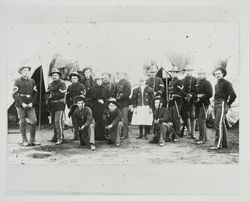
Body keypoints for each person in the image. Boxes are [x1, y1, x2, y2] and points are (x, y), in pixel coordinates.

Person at [12, 66, 40, 146]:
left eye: (27, 70)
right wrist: (22, 103)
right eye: (24, 70)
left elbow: (35, 93)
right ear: (21, 72)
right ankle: (24, 140)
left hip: (30, 104)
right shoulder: (17, 81)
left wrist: (32, 102)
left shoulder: (32, 81)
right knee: (23, 121)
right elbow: (14, 94)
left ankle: (32, 140)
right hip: (20, 105)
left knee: (33, 120)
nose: (26, 72)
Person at [210, 66, 236, 150]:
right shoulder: (216, 84)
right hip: (216, 103)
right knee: (222, 123)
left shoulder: (227, 83)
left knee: (218, 124)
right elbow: (216, 95)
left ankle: (217, 144)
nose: (217, 75)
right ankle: (224, 143)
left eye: (219, 73)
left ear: (223, 74)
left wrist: (228, 104)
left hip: (222, 103)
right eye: (216, 74)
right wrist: (213, 102)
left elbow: (233, 95)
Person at [86, 72, 110, 140]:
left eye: (100, 80)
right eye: (97, 80)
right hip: (95, 107)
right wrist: (96, 101)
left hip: (103, 108)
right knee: (95, 121)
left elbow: (109, 99)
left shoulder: (105, 89)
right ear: (95, 81)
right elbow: (88, 99)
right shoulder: (92, 89)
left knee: (103, 121)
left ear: (102, 81)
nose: (99, 81)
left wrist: (104, 102)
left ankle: (103, 136)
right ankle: (95, 136)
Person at [47, 69, 67, 145]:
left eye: (56, 75)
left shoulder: (62, 84)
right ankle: (55, 137)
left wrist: (52, 95)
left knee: (57, 121)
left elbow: (62, 94)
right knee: (53, 122)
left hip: (59, 105)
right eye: (53, 75)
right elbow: (48, 94)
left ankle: (60, 138)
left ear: (59, 76)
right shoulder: (50, 84)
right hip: (52, 105)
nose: (54, 77)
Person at [194, 69, 213, 145]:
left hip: (204, 103)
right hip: (198, 104)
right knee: (200, 121)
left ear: (204, 74)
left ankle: (201, 139)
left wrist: (201, 99)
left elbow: (210, 94)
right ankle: (204, 138)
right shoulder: (198, 83)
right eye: (198, 74)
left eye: (201, 74)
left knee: (201, 121)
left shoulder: (207, 83)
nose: (200, 75)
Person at [66, 71, 86, 140]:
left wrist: (81, 105)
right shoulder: (69, 87)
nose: (74, 79)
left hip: (79, 106)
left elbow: (83, 96)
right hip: (72, 106)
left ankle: (82, 135)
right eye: (72, 78)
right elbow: (67, 97)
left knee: (80, 120)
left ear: (78, 79)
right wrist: (69, 105)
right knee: (74, 121)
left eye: (75, 78)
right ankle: (76, 135)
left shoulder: (81, 86)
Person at [181, 65, 198, 139]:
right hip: (185, 101)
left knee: (193, 116)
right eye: (187, 70)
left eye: (190, 70)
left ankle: (192, 133)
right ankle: (188, 130)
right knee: (186, 116)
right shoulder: (182, 80)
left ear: (192, 71)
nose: (189, 72)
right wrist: (186, 95)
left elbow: (197, 90)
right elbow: (181, 91)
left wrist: (191, 95)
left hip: (193, 101)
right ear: (185, 71)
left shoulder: (195, 80)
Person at [168, 66, 185, 142]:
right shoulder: (170, 81)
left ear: (177, 73)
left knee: (176, 118)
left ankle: (177, 135)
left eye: (174, 72)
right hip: (171, 102)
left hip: (177, 102)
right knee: (172, 118)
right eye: (171, 72)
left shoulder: (179, 81)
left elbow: (181, 92)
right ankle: (173, 133)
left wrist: (174, 96)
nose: (173, 73)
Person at [115, 71, 131, 140]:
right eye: (119, 74)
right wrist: (115, 97)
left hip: (124, 103)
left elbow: (128, 93)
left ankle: (125, 134)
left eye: (122, 74)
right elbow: (115, 92)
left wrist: (121, 97)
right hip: (118, 104)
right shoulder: (117, 83)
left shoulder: (127, 82)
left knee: (124, 119)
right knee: (119, 118)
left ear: (124, 75)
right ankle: (120, 133)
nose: (120, 75)